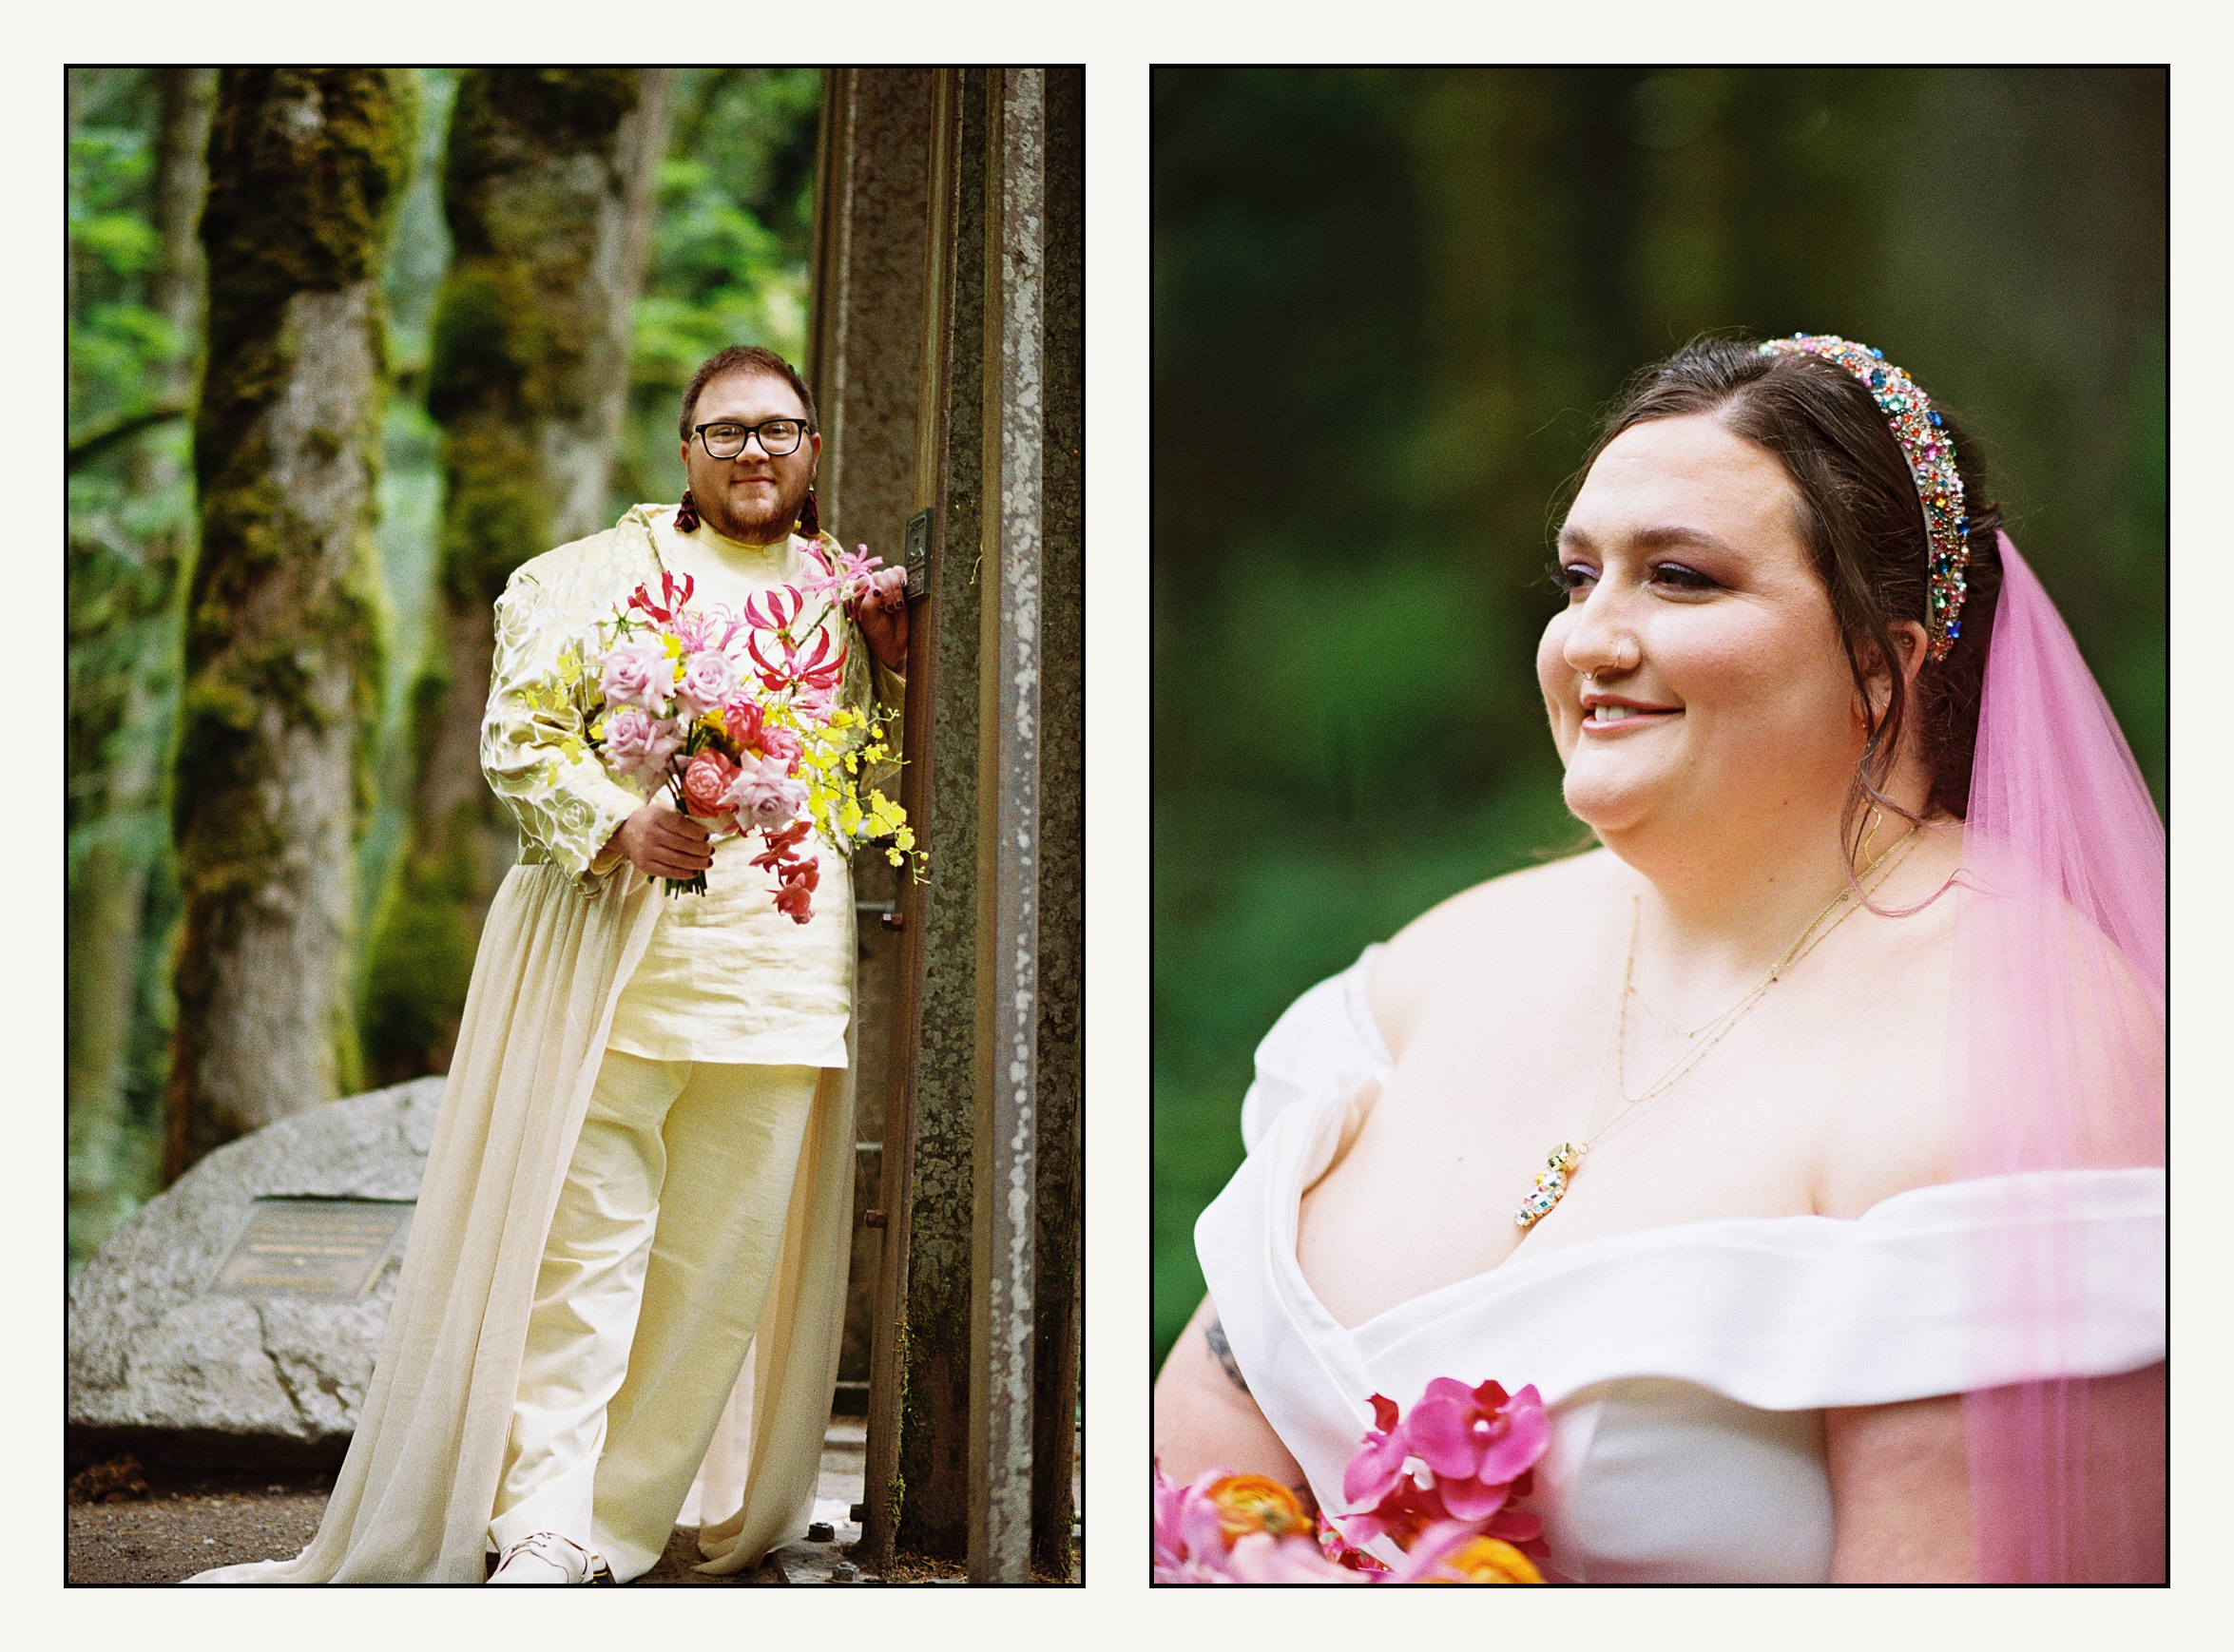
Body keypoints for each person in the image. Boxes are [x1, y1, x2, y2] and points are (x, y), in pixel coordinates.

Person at [1152, 335, 2165, 1584]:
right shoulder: (1436, 965)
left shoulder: (2021, 1042)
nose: (1589, 638)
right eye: (1577, 577)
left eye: (1677, 577)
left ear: (1883, 662)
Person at [192, 345, 908, 1585]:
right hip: (621, 959)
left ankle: (613, 1533)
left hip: (778, 980)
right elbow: (521, 735)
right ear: (684, 448)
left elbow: (875, 780)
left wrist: (902, 661)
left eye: (777, 430)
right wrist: (620, 818)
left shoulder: (843, 600)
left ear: (812, 450)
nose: (753, 451)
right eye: (725, 430)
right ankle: (539, 1519)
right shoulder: (596, 577)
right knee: (584, 1254)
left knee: (714, 1278)